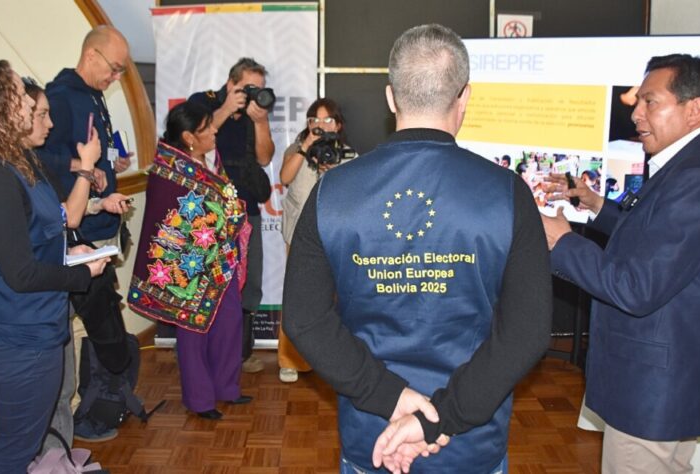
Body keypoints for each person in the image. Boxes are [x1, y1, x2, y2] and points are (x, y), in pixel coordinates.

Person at [283, 24, 552, 473]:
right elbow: (527, 332)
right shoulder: (507, 193)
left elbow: (304, 320)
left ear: (391, 98)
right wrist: (440, 417)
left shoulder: (332, 193)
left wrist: (389, 397)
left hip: (375, 433)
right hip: (467, 439)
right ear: (465, 97)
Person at [541, 54, 700, 473]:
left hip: (657, 387)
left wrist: (562, 241)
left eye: (650, 102)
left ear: (694, 109)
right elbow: (659, 239)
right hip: (675, 377)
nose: (636, 114)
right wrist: (597, 205)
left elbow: (637, 286)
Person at [0, 60, 108, 473]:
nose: (29, 102)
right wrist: (81, 273)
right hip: (20, 336)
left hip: (36, 325)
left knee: (28, 443)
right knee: (15, 452)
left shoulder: (14, 162)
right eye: (20, 94)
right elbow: (20, 274)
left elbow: (35, 239)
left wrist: (70, 253)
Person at [127, 100, 252, 420]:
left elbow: (223, 199)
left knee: (230, 322)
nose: (214, 131)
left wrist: (230, 217)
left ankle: (227, 387)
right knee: (193, 330)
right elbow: (167, 222)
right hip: (189, 264)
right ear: (188, 137)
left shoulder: (213, 159)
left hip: (221, 257)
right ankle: (200, 400)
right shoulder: (167, 171)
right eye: (207, 128)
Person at [22, 78, 131, 446]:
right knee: (49, 393)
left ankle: (62, 453)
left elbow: (58, 213)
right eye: (41, 114)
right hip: (33, 302)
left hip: (53, 284)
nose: (50, 123)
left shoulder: (31, 164)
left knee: (64, 379)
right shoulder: (6, 172)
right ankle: (55, 455)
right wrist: (85, 167)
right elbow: (66, 217)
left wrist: (100, 204)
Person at [189, 58, 276, 374]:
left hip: (246, 209)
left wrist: (261, 122)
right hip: (209, 209)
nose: (254, 94)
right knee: (207, 281)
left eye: (259, 88)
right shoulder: (204, 102)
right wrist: (227, 108)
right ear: (230, 83)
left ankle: (241, 353)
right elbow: (192, 141)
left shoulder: (255, 115)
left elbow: (264, 157)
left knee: (248, 283)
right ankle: (202, 352)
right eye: (248, 87)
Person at [278, 98, 355, 383]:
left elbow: (352, 197)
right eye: (314, 119)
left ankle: (329, 360)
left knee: (333, 298)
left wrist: (332, 174)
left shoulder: (349, 156)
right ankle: (289, 361)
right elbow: (285, 178)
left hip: (333, 235)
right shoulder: (296, 149)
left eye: (327, 120)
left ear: (338, 124)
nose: (320, 125)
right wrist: (306, 146)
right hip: (298, 232)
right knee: (295, 296)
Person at [43, 25, 132, 246]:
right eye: (114, 68)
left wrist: (112, 161)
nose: (116, 77)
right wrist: (83, 166)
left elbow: (93, 142)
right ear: (91, 55)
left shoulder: (95, 94)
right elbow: (38, 158)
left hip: (105, 221)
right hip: (81, 230)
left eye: (121, 71)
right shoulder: (60, 97)